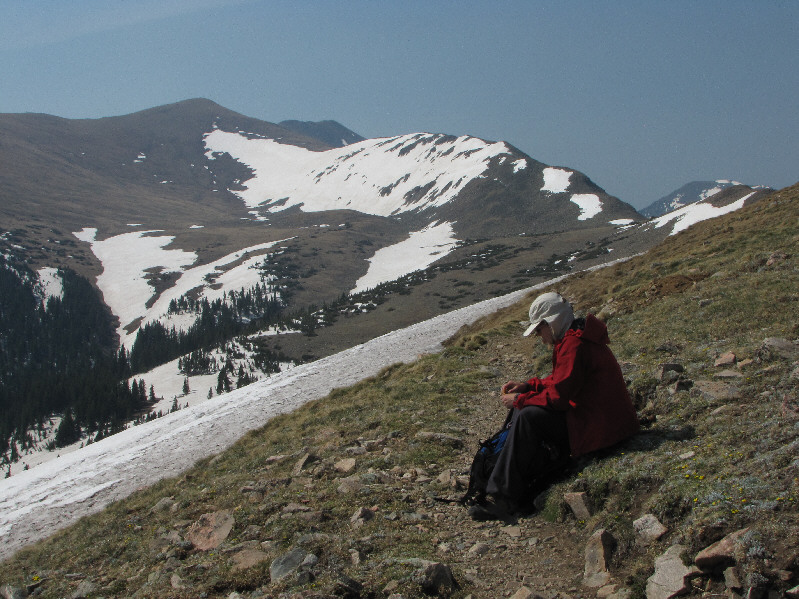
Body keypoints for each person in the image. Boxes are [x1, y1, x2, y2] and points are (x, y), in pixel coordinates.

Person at [468, 291, 639, 521]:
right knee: (525, 410)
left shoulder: (574, 344)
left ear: (551, 322)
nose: (540, 337)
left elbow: (559, 397)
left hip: (600, 429)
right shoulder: (576, 337)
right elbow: (562, 382)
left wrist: (519, 399)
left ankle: (504, 498)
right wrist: (529, 386)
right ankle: (505, 484)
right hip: (604, 422)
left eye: (539, 330)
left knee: (527, 415)